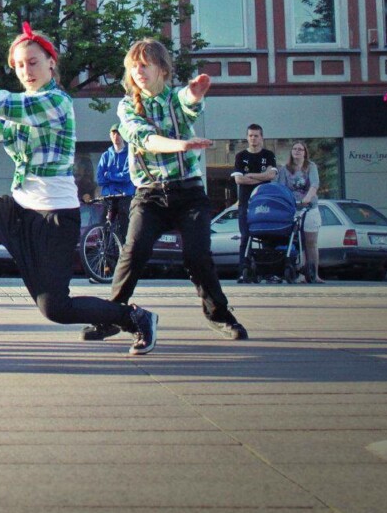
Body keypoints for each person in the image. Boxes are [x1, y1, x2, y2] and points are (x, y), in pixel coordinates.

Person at [0, 22, 157, 356]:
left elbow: (2, 104)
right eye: (20, 65)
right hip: (16, 207)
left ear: (51, 63)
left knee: (56, 308)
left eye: (33, 63)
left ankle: (134, 318)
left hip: (53, 217)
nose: (26, 71)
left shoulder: (56, 103)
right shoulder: (22, 105)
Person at [84, 38, 247, 344]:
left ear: (162, 69)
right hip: (150, 195)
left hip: (189, 193)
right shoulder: (126, 107)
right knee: (133, 252)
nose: (138, 71)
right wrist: (181, 145)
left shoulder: (175, 99)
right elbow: (145, 140)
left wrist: (195, 95)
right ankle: (111, 317)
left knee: (197, 256)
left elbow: (187, 103)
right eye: (133, 66)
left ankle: (220, 316)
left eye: (145, 65)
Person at [232, 124, 278, 280]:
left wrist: (251, 175)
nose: (253, 138)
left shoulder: (268, 155)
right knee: (245, 237)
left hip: (264, 203)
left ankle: (268, 273)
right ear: (247, 137)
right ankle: (243, 272)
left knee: (267, 237)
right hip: (246, 204)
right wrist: (261, 177)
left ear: (261, 137)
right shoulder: (240, 156)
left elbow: (271, 176)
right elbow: (239, 180)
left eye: (256, 135)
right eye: (250, 135)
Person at [279, 141, 324, 283]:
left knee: (311, 242)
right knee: (297, 242)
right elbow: (282, 188)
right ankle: (301, 273)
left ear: (305, 152)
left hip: (309, 207)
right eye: (295, 149)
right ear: (291, 152)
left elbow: (314, 184)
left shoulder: (311, 166)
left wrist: (307, 198)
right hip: (293, 209)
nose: (297, 151)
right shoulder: (284, 169)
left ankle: (314, 274)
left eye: (300, 149)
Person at [96, 124, 135, 242]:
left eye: (118, 133)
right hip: (109, 196)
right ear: (110, 135)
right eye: (113, 133)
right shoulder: (105, 155)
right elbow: (99, 179)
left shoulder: (129, 154)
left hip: (125, 196)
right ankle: (104, 249)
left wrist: (108, 175)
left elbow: (127, 177)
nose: (116, 136)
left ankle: (124, 248)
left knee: (124, 227)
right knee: (103, 226)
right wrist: (116, 177)